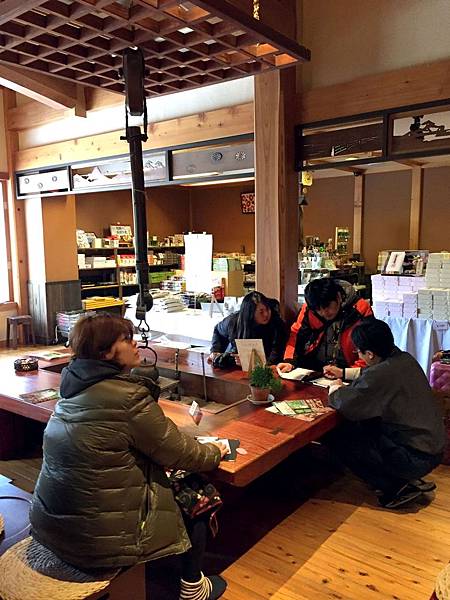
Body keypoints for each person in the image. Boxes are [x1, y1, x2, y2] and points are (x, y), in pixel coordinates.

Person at [30, 313, 228, 600]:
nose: (137, 344)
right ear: (106, 352)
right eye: (126, 339)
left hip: (53, 526)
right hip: (98, 541)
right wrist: (214, 452)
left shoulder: (72, 385)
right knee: (198, 492)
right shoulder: (127, 397)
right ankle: (193, 586)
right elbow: (182, 453)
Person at [327, 319, 446, 509]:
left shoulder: (382, 374)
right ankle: (406, 479)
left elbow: (348, 403)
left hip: (416, 457)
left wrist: (334, 389)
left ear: (370, 354)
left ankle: (395, 487)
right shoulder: (403, 358)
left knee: (339, 434)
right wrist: (343, 373)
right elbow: (375, 374)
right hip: (432, 448)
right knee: (368, 422)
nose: (358, 354)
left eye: (358, 351)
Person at [277, 278, 373, 375]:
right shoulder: (310, 308)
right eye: (319, 309)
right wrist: (290, 361)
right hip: (316, 369)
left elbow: (370, 351)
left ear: (338, 297)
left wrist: (346, 373)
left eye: (327, 306)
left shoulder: (360, 309)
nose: (324, 313)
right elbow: (296, 335)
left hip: (350, 369)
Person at [208, 291, 287, 366]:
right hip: (237, 367)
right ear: (250, 313)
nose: (266, 314)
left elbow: (276, 355)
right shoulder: (234, 321)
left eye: (267, 309)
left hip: (265, 369)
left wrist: (254, 363)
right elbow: (218, 330)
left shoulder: (277, 324)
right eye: (261, 312)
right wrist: (215, 351)